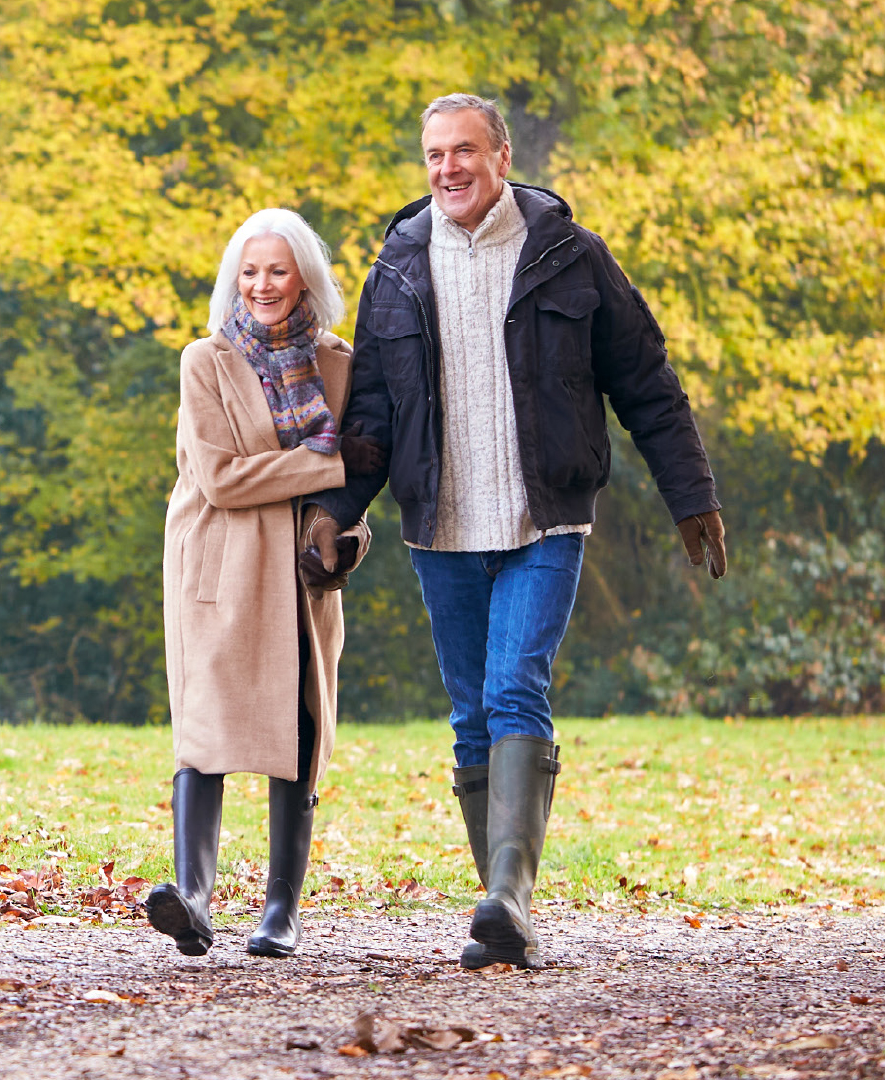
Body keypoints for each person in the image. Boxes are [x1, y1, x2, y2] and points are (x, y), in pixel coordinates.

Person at [306, 94, 727, 970]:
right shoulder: (399, 267)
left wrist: (690, 494)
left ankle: (510, 897)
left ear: (502, 155)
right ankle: (499, 911)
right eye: (433, 156)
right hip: (441, 523)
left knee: (513, 688)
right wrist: (338, 513)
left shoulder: (570, 256)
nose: (448, 169)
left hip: (546, 516)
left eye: (464, 151)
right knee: (470, 716)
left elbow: (646, 380)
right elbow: (375, 413)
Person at [149, 208, 386, 958]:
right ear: (233, 282)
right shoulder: (206, 361)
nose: (263, 285)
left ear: (304, 278)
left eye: (278, 270)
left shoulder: (342, 365)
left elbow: (359, 489)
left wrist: (346, 533)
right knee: (207, 726)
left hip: (299, 570)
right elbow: (221, 479)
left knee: (302, 724)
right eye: (249, 272)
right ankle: (192, 895)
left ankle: (281, 910)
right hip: (219, 561)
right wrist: (333, 462)